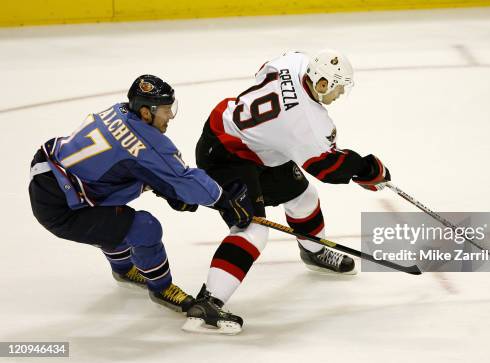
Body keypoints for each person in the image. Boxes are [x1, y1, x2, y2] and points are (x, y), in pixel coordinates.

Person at [184, 50, 391, 334]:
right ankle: (207, 303)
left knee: (303, 197)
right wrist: (366, 168)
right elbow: (327, 167)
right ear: (321, 84)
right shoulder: (309, 124)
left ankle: (314, 252)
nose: (340, 94)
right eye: (338, 87)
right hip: (225, 156)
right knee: (252, 230)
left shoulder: (293, 61)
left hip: (254, 146)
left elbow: (261, 71)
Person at [28, 75, 253, 318]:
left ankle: (123, 269)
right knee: (145, 228)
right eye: (166, 110)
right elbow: (184, 178)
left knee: (114, 213)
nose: (170, 117)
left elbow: (125, 165)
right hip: (62, 207)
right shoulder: (147, 142)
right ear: (146, 112)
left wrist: (163, 187)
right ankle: (161, 288)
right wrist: (224, 199)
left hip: (49, 172)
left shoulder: (120, 110)